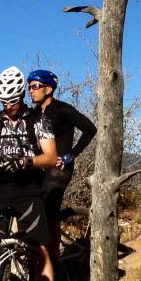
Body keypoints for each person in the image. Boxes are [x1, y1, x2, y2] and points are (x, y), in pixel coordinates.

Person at [0, 66, 59, 281]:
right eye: (3, 101)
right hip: (1, 188)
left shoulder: (38, 120)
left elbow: (51, 156)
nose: (8, 105)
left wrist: (26, 161)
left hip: (29, 188)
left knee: (39, 247)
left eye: (13, 100)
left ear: (21, 96)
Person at [27, 68, 96, 268]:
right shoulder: (32, 114)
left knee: (49, 209)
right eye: (29, 87)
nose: (31, 91)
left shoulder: (62, 110)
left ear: (48, 89)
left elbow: (90, 129)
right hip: (40, 168)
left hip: (59, 169)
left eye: (35, 87)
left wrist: (70, 154)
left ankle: (54, 262)